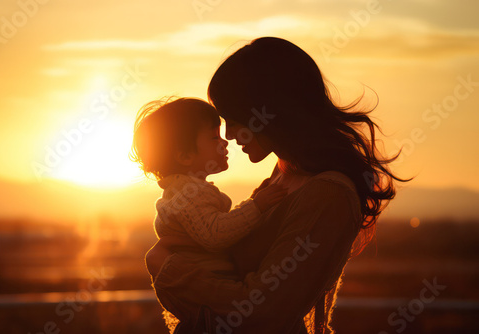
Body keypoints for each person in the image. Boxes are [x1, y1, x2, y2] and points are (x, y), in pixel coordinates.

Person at [145, 37, 410, 334]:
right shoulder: (284, 173)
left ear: (268, 111)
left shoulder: (328, 195)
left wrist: (169, 270)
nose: (229, 135)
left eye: (233, 120)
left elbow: (260, 313)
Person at [130, 98, 289, 316]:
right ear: (185, 156)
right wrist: (256, 206)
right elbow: (215, 234)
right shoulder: (187, 194)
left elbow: (213, 226)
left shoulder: (185, 191)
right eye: (215, 137)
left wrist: (254, 201)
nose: (225, 143)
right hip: (213, 288)